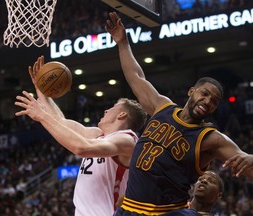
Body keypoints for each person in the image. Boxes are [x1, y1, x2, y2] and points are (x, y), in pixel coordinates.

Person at [105, 12, 253, 215]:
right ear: (192, 91)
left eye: (214, 101)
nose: (207, 101)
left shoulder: (211, 138)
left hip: (167, 212)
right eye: (205, 94)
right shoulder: (162, 107)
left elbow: (245, 163)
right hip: (129, 209)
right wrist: (122, 42)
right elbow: (136, 76)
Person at [14, 56, 148, 216]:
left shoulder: (127, 140)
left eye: (113, 107)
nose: (106, 110)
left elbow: (81, 148)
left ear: (122, 115)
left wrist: (42, 116)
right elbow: (61, 122)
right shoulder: (98, 135)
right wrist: (43, 92)